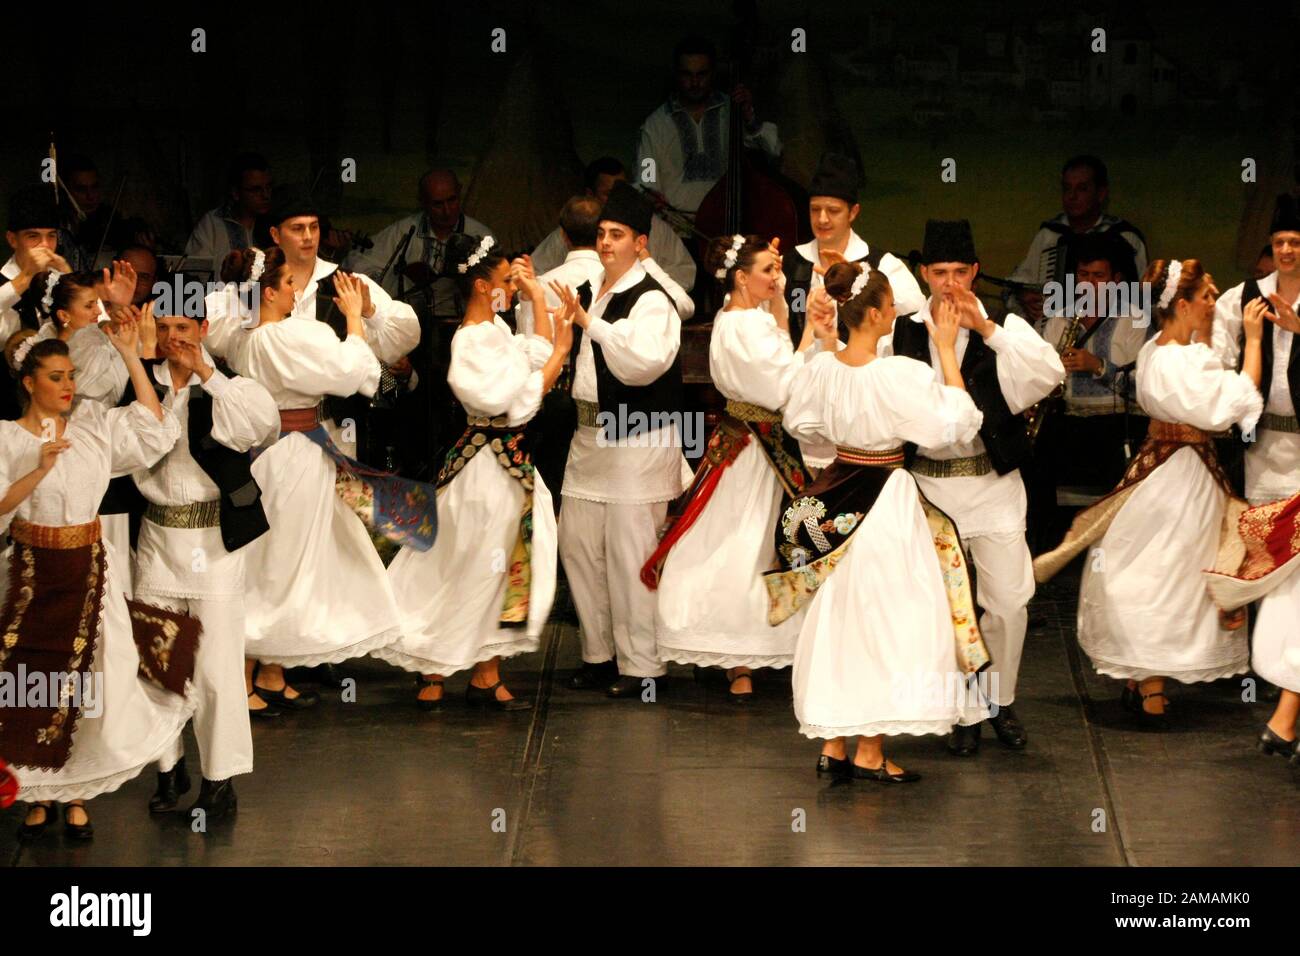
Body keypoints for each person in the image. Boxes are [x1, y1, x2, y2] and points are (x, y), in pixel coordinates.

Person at [769, 262, 988, 781]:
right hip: (885, 501)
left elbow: (801, 423)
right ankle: (868, 749)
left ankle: (834, 744)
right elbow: (957, 423)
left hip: (840, 492)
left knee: (842, 614)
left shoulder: (824, 368)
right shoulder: (899, 375)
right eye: (890, 304)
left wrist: (827, 357)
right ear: (872, 314)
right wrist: (949, 355)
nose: (896, 311)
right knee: (887, 615)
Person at [1036, 259, 1263, 728]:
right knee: (1171, 571)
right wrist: (1256, 343)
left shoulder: (1160, 351)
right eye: (1204, 299)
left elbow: (1215, 344)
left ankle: (1143, 679)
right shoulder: (1178, 359)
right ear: (1182, 304)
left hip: (1165, 466)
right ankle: (1152, 681)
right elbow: (1231, 404)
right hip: (1180, 474)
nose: (1210, 307)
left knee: (1155, 566)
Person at [215, 246, 434, 714]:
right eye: (288, 284)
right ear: (269, 292)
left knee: (292, 558)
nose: (296, 290)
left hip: (284, 454)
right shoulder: (286, 335)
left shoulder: (245, 337)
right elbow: (349, 371)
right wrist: (355, 319)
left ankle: (273, 671)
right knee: (278, 563)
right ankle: (245, 676)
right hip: (290, 455)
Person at [880, 220, 1064, 756]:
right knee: (943, 607)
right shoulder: (902, 330)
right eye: (940, 273)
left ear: (975, 273)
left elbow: (1049, 374)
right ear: (924, 274)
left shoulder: (1002, 324)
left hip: (992, 482)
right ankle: (960, 711)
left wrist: (988, 331)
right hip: (927, 488)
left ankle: (996, 700)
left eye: (961, 272)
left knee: (1008, 602)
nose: (951, 283)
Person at [1, 326, 192, 841]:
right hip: (31, 575)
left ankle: (77, 794)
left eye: (71, 376)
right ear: (28, 382)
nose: (67, 386)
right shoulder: (7, 437)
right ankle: (37, 796)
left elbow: (156, 430)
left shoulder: (90, 423)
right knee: (29, 687)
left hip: (88, 571)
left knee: (88, 685)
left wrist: (132, 356)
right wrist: (37, 471)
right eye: (56, 377)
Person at [377, 240, 571, 710]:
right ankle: (433, 663)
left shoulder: (498, 330)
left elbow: (534, 352)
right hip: (484, 468)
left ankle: (485, 671)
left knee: (497, 564)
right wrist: (560, 355)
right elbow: (515, 399)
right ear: (483, 286)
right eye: (506, 281)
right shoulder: (470, 339)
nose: (512, 288)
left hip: (504, 464)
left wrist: (536, 300)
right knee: (466, 560)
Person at [642, 234, 835, 700]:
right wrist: (813, 332)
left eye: (777, 268)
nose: (777, 277)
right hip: (753, 449)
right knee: (742, 543)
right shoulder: (739, 326)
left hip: (766, 445)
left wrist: (793, 317)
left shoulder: (755, 317)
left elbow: (781, 353)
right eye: (768, 270)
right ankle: (739, 656)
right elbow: (783, 387)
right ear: (741, 277)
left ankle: (768, 649)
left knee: (768, 543)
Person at [130, 306, 279, 822]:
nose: (173, 339)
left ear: (203, 332)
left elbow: (263, 426)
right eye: (164, 329)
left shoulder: (228, 385)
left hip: (213, 542)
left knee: (216, 667)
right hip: (155, 538)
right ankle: (168, 767)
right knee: (159, 662)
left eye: (183, 330)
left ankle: (220, 779)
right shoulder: (138, 384)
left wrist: (206, 375)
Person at [551, 182, 692, 698]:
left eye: (618, 235)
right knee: (581, 545)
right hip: (591, 434)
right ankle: (599, 655)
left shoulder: (651, 299)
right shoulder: (597, 289)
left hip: (637, 432)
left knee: (631, 550)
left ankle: (643, 667)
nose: (607, 243)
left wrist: (595, 326)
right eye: (604, 234)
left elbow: (643, 364)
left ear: (641, 244)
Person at [207, 188, 420, 464]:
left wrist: (369, 312)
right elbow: (214, 334)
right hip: (268, 433)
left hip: (334, 428)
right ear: (275, 234)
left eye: (314, 227)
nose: (308, 237)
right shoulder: (252, 289)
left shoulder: (346, 282)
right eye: (297, 228)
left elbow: (403, 338)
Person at [1027, 233, 1151, 552]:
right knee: (1031, 458)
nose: (1089, 284)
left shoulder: (1134, 320)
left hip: (1116, 425)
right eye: (1084, 276)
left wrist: (1098, 366)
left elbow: (1144, 387)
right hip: (1068, 422)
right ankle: (1046, 551)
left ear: (1116, 279)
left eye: (1099, 276)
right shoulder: (1061, 317)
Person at [782, 152, 925, 348]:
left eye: (833, 211)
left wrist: (857, 284)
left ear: (853, 212)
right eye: (815, 209)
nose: (822, 219)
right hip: (800, 373)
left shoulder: (883, 265)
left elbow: (915, 314)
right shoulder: (789, 263)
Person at [636, 36, 781, 219]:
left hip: (728, 221)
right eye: (687, 74)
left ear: (713, 73)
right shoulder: (656, 124)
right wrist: (651, 192)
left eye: (701, 74)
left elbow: (773, 150)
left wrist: (750, 119)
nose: (695, 83)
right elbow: (647, 179)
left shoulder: (733, 111)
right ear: (677, 74)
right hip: (676, 230)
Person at [1008, 155, 1148, 332]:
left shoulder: (1126, 238)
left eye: (1082, 189)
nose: (1072, 196)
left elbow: (1143, 298)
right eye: (1067, 188)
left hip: (1114, 343)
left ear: (1101, 193)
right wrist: (1024, 297)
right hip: (1052, 338)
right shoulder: (1049, 235)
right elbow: (1016, 285)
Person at [530, 157, 697, 298]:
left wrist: (653, 293)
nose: (618, 197)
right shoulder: (573, 229)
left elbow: (684, 272)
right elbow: (535, 273)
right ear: (591, 194)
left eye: (622, 189)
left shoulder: (655, 229)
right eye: (608, 193)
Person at [185, 152, 273, 278]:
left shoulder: (275, 226)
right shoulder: (212, 224)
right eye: (256, 189)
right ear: (236, 193)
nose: (265, 195)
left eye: (269, 187)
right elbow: (195, 276)